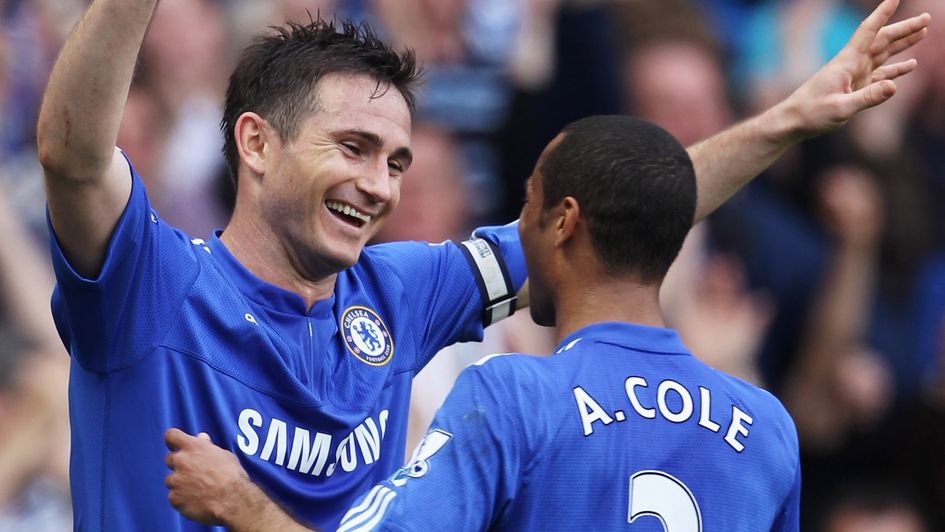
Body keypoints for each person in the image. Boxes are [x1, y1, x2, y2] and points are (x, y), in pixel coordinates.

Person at [35, 0, 928, 530]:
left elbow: (615, 210)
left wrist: (784, 122)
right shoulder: (152, 282)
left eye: (395, 161)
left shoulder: (399, 293)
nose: (377, 185)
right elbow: (73, 154)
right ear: (256, 143)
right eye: (351, 147)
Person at [165, 115, 801, 531]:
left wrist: (236, 501)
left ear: (563, 222)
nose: (516, 228)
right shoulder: (768, 429)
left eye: (528, 203)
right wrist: (789, 122)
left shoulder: (515, 398)